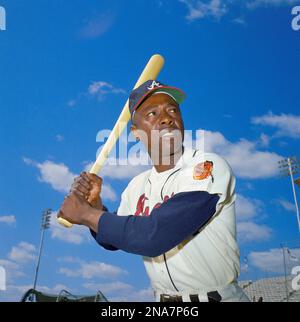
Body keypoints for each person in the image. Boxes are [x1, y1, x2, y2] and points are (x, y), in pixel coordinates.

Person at [58, 80, 249, 302]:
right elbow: (114, 238)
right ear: (136, 133)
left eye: (172, 110)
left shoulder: (207, 165)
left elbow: (154, 236)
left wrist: (85, 214)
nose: (167, 118)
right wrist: (96, 206)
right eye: (152, 113)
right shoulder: (136, 186)